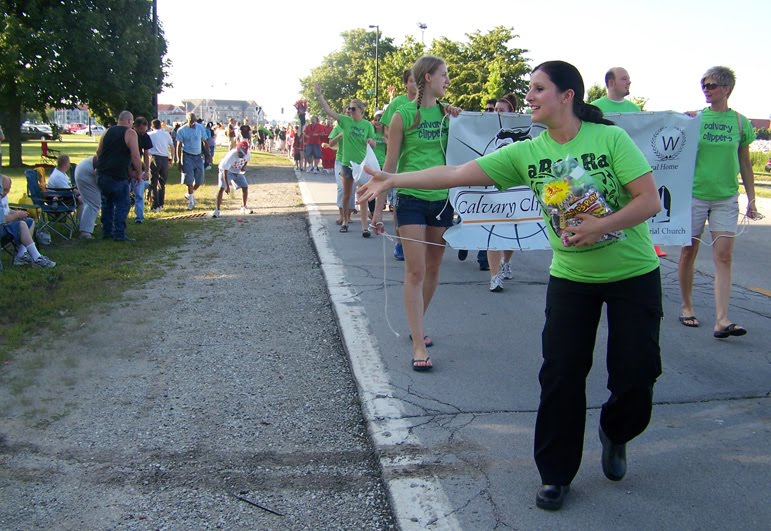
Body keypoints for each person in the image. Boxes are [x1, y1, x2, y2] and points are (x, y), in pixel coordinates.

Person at [359, 60, 663, 510]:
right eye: (529, 89)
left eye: (539, 88)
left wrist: (602, 225)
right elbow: (457, 174)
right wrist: (394, 178)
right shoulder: (527, 152)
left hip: (633, 274)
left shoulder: (609, 139)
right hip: (573, 278)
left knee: (638, 373)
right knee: (560, 375)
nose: (529, 96)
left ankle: (617, 431)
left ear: (567, 96)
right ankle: (556, 473)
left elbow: (650, 201)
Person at [367, 54, 459, 371]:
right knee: (415, 271)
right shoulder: (402, 115)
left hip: (443, 200)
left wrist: (459, 120)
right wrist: (378, 211)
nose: (448, 80)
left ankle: (415, 324)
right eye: (444, 74)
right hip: (410, 199)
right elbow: (389, 166)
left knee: (434, 270)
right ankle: (418, 344)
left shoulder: (450, 116)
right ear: (428, 78)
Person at [677, 66, 759, 339]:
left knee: (724, 256)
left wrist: (752, 197)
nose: (706, 89)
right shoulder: (696, 119)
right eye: (704, 84)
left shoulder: (739, 122)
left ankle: (722, 319)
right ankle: (687, 306)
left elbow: (745, 161)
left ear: (726, 89)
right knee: (689, 251)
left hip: (726, 197)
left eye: (711, 85)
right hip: (695, 195)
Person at [315, 84, 376, 235]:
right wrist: (319, 96)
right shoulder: (345, 121)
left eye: (353, 109)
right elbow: (329, 111)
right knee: (346, 193)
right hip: (346, 164)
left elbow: (373, 141)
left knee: (362, 195)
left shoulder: (367, 125)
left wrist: (370, 142)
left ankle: (364, 227)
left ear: (361, 111)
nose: (350, 111)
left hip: (361, 165)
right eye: (349, 108)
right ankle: (344, 220)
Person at [381, 69, 417, 260]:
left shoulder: (429, 104)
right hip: (400, 163)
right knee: (397, 206)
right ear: (406, 84)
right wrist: (395, 143)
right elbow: (386, 131)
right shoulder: (398, 104)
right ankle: (399, 241)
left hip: (422, 166)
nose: (415, 85)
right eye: (411, 81)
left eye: (417, 81)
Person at [486, 95, 519, 292]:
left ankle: (506, 262)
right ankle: (494, 276)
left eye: (502, 110)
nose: (496, 113)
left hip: (514, 186)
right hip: (493, 186)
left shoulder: (516, 133)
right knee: (494, 231)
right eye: (495, 109)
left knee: (513, 230)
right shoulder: (486, 130)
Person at [96, 110, 143, 241]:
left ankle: (107, 232)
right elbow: (135, 155)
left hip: (102, 173)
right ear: (129, 121)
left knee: (107, 204)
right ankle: (119, 234)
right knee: (123, 204)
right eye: (132, 121)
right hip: (118, 174)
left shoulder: (106, 132)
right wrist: (139, 173)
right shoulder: (130, 133)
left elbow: (98, 152)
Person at [1, 174, 56, 267]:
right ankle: (37, 258)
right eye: (5, 189)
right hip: (2, 227)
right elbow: (2, 219)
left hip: (6, 225)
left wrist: (16, 212)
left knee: (30, 221)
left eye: (9, 189)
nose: (7, 192)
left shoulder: (3, 197)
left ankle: (21, 255)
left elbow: (6, 211)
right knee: (22, 224)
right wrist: (17, 215)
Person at [176, 112, 211, 210]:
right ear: (187, 120)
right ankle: (191, 202)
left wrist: (208, 154)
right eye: (191, 121)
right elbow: (179, 146)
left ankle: (189, 194)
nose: (192, 123)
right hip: (187, 156)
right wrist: (179, 160)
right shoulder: (182, 130)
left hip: (198, 156)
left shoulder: (200, 128)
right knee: (189, 179)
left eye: (194, 121)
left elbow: (205, 141)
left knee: (199, 180)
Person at [213, 141, 252, 217]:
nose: (241, 155)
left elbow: (246, 161)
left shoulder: (247, 154)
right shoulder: (231, 155)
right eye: (240, 153)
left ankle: (244, 207)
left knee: (245, 186)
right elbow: (225, 171)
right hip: (226, 171)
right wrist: (227, 185)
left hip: (237, 171)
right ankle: (217, 210)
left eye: (243, 153)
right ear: (237, 149)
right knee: (221, 188)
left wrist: (243, 167)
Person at [148, 119, 173, 212]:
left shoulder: (150, 135)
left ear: (152, 126)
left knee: (153, 182)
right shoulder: (166, 134)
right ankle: (161, 204)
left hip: (154, 157)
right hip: (165, 158)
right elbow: (172, 147)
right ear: (160, 126)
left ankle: (155, 205)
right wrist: (172, 158)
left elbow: (146, 149)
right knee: (162, 182)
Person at [132, 117, 153, 223]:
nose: (143, 132)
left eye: (145, 129)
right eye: (141, 129)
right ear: (135, 127)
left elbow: (146, 154)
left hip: (138, 166)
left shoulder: (145, 137)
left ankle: (139, 217)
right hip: (127, 167)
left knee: (139, 194)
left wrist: (146, 171)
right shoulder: (130, 135)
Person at [74, 154, 100, 239]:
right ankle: (85, 233)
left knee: (89, 203)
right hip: (86, 172)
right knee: (93, 203)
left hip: (84, 168)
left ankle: (84, 226)